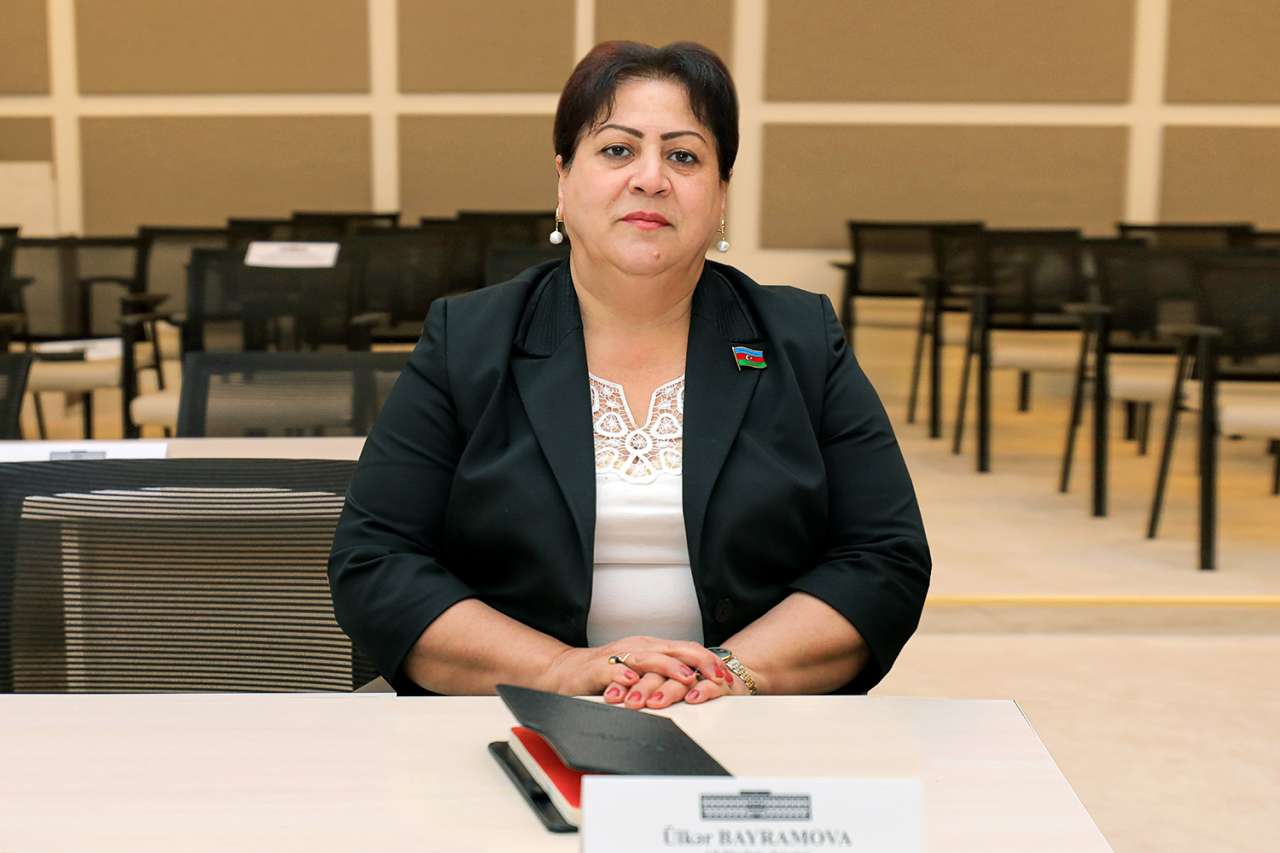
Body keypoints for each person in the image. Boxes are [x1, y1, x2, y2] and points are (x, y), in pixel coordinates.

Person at [328, 41, 930, 708]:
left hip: (751, 724)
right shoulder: (468, 340)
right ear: (563, 180)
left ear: (721, 193)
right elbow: (377, 562)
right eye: (618, 150)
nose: (651, 178)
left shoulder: (801, 339)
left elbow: (884, 557)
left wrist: (725, 672)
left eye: (684, 156)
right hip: (517, 715)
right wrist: (561, 669)